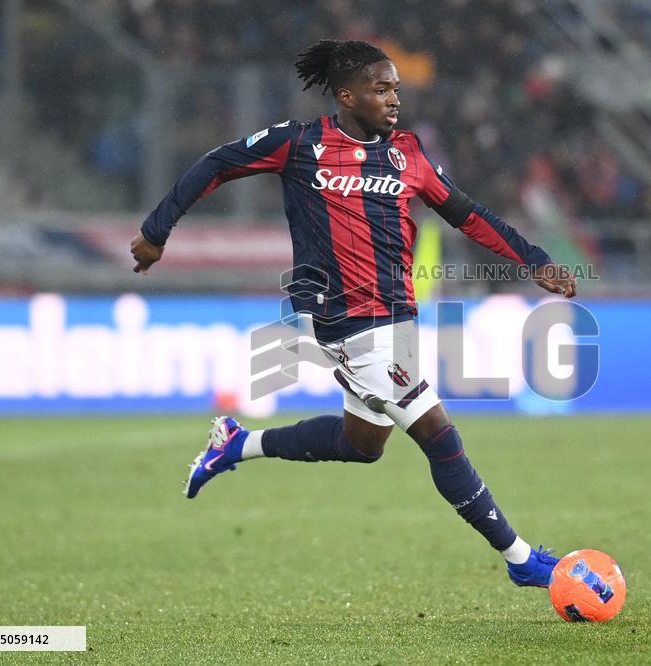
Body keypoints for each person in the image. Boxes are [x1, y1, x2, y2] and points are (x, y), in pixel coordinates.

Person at [129, 40, 577, 588]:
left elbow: (468, 215)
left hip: (397, 319)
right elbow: (214, 165)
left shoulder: (407, 155)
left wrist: (533, 259)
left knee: (362, 445)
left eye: (396, 90)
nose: (394, 99)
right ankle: (519, 558)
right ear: (346, 95)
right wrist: (156, 232)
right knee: (439, 435)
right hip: (348, 321)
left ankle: (236, 443)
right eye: (381, 89)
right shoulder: (298, 144)